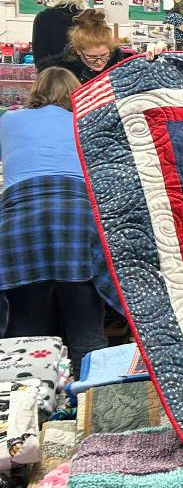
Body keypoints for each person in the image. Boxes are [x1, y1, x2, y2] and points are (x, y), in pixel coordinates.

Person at [0, 67, 120, 376]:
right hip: (76, 220)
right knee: (85, 323)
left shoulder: (9, 120)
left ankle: (26, 402)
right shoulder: (87, 121)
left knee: (26, 327)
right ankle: (90, 400)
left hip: (20, 223)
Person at [55, 9, 128, 83]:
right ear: (78, 50)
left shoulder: (123, 70)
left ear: (111, 48)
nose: (99, 62)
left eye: (104, 55)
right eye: (92, 57)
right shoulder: (61, 77)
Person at [31, 0, 86, 71]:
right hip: (86, 75)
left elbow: (39, 55)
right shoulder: (89, 17)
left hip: (53, 73)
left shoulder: (43, 17)